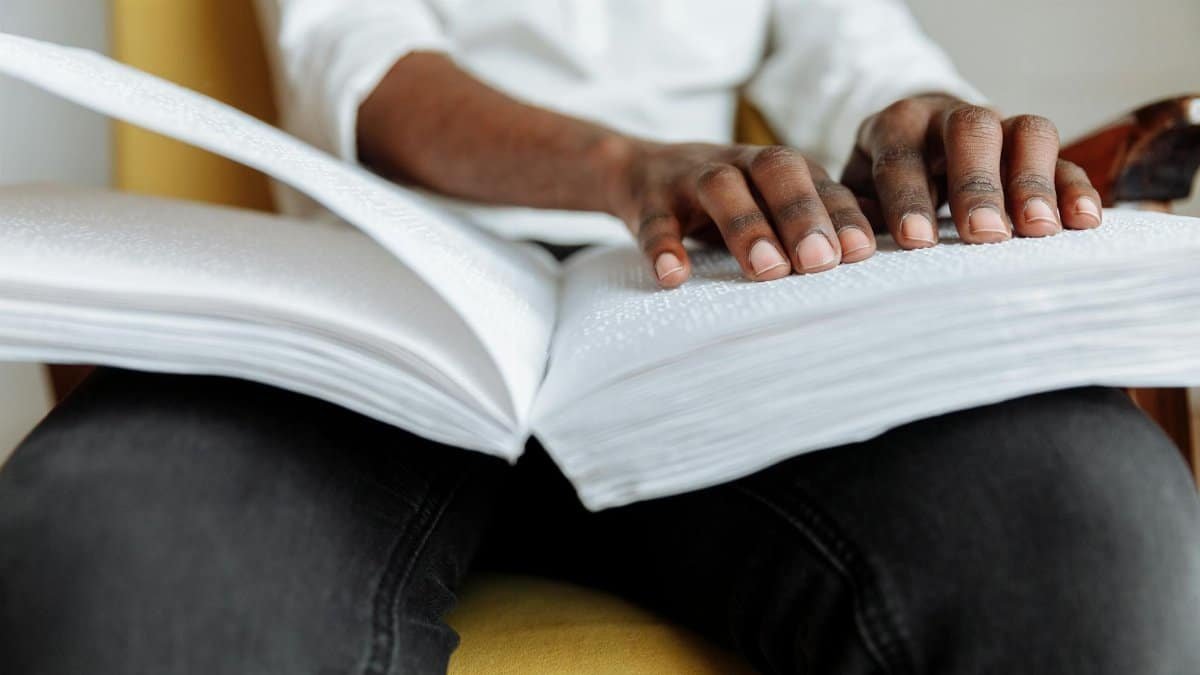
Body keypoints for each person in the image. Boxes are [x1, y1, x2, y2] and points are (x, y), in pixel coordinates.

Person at [1, 1, 1197, 673]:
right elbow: (362, 75)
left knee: (1080, 513)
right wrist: (632, 169)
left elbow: (863, 61)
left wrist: (924, 128)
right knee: (119, 532)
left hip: (690, 293)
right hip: (384, 294)